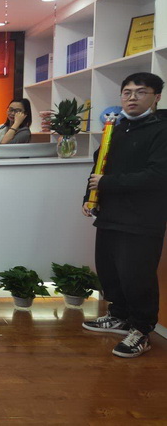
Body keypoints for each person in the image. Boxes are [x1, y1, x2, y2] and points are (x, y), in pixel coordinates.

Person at [81, 72, 167, 358]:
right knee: (110, 270)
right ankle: (119, 315)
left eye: (140, 92)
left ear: (156, 97)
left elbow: (158, 175)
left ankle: (141, 329)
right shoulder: (117, 128)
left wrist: (107, 184)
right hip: (110, 214)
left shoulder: (161, 130)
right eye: (127, 92)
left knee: (137, 275)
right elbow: (98, 167)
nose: (132, 98)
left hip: (142, 218)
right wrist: (89, 197)